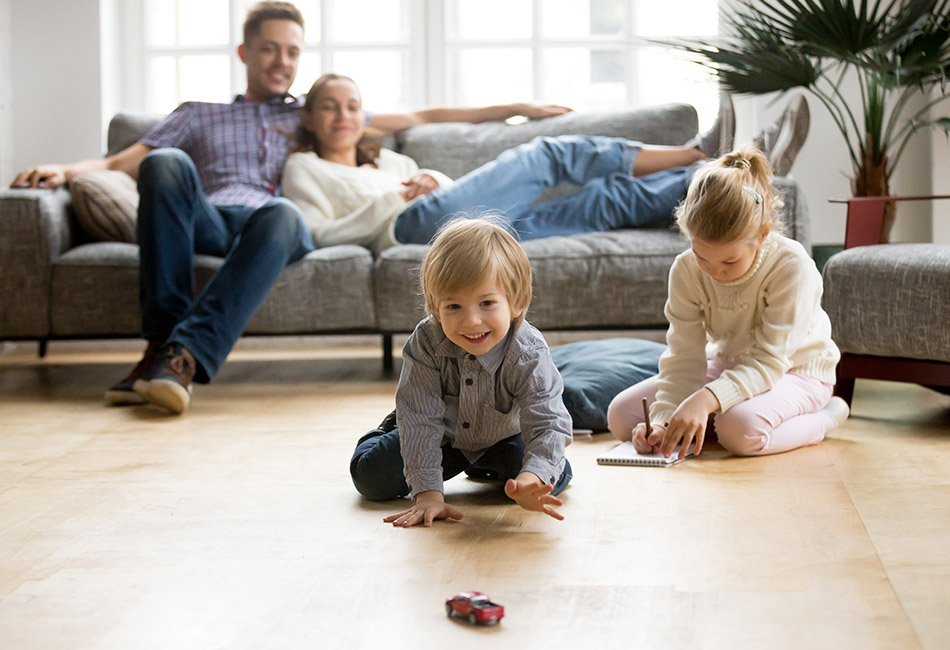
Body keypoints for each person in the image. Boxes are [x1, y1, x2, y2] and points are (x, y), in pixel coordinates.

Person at [10, 3, 569, 415]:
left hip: (274, 227)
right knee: (165, 164)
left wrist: (515, 107)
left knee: (281, 213)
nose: (282, 61)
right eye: (270, 49)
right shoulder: (197, 112)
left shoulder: (310, 113)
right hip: (210, 218)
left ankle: (178, 358)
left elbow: (423, 115)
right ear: (245, 53)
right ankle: (163, 346)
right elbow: (125, 159)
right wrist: (65, 171)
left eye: (293, 51)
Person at [281, 73, 718, 253]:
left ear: (364, 116)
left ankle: (710, 178)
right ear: (308, 116)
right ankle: (694, 150)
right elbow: (316, 235)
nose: (343, 117)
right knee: (546, 155)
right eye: (329, 107)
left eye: (352, 106)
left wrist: (432, 179)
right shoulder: (305, 168)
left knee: (599, 203)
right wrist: (393, 200)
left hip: (466, 234)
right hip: (409, 231)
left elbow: (458, 200)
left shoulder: (392, 161)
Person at [606, 146, 850, 459]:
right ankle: (709, 419)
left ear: (763, 234)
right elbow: (683, 356)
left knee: (738, 432)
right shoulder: (685, 269)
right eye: (702, 257)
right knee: (621, 417)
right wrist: (662, 422)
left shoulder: (792, 266)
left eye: (730, 262)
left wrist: (705, 400)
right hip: (729, 367)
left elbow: (770, 361)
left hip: (796, 371)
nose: (715, 273)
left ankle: (825, 417)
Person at [349, 217, 573, 527]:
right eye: (453, 306)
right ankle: (390, 426)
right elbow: (421, 420)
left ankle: (490, 465)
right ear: (434, 307)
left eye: (486, 303)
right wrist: (427, 493)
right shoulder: (427, 341)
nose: (471, 321)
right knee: (371, 478)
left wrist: (531, 477)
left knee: (551, 477)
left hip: (504, 436)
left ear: (517, 302)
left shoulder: (528, 351)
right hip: (441, 435)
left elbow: (548, 422)